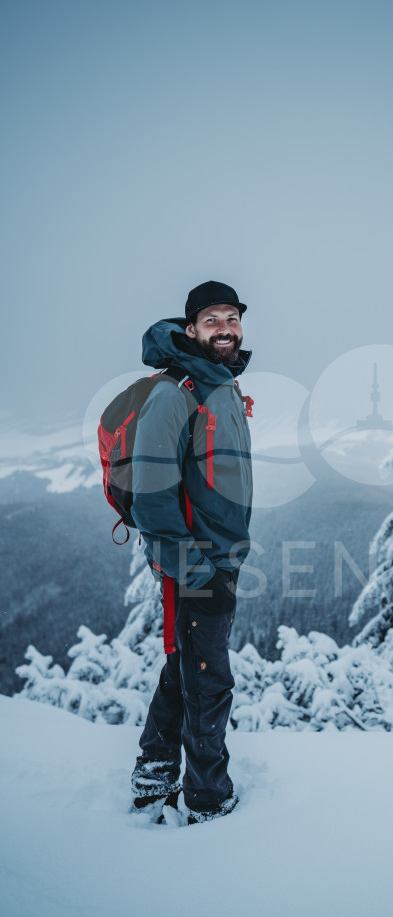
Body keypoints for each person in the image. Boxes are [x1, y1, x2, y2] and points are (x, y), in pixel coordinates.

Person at [129, 280, 253, 823]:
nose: (224, 328)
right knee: (210, 678)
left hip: (216, 559)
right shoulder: (175, 391)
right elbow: (150, 499)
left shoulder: (219, 385)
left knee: (187, 666)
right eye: (212, 320)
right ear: (190, 330)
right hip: (197, 563)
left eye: (232, 318)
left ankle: (154, 773)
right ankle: (207, 799)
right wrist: (196, 568)